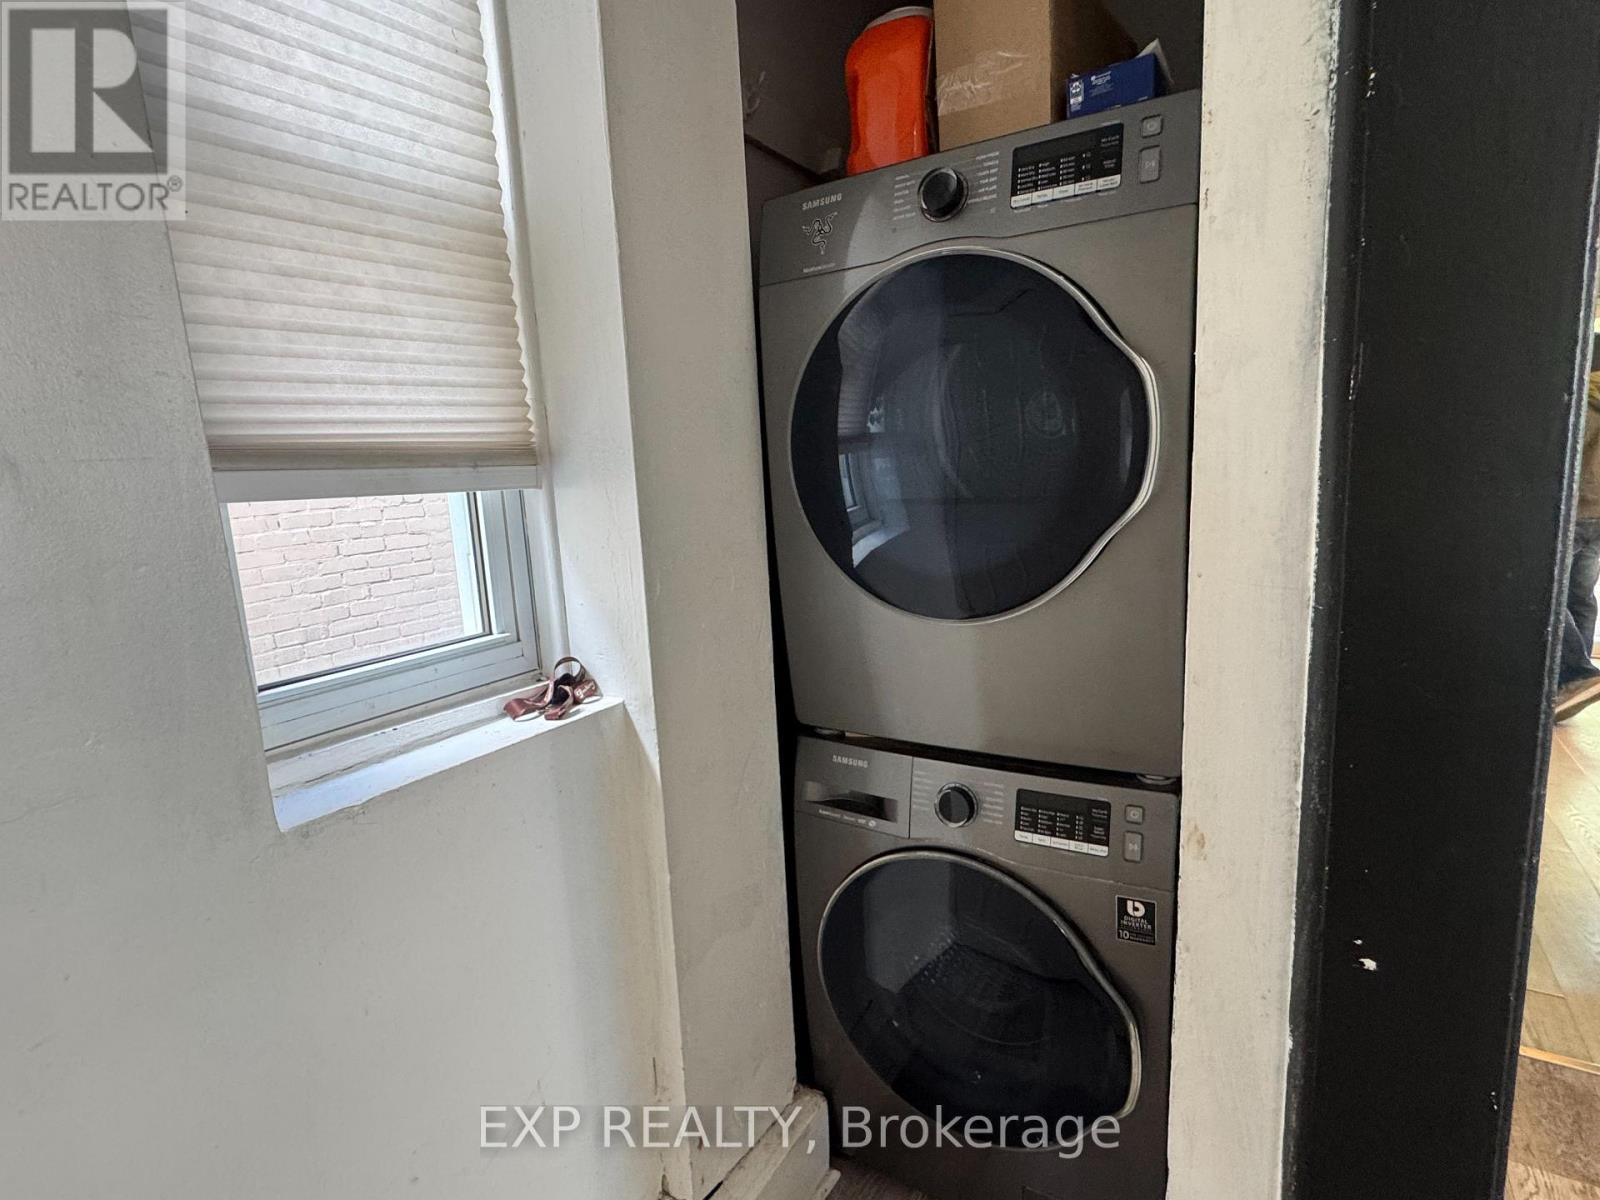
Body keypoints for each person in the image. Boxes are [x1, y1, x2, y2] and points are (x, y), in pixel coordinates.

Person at [1555, 370, 1600, 721]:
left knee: (1551, 594)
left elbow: (1568, 455)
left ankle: (1576, 674)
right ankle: (1571, 686)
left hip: (1577, 510)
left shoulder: (1584, 396)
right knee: (1580, 598)